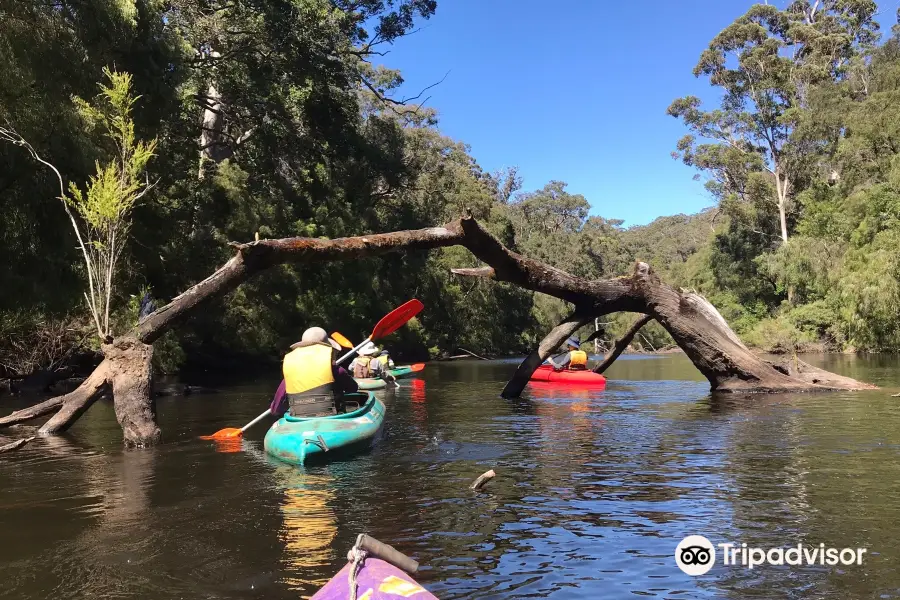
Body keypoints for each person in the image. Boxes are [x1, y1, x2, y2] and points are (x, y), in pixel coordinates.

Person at [269, 327, 358, 418]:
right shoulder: (337, 371)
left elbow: (276, 410)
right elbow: (353, 389)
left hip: (300, 421)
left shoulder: (289, 377)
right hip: (333, 418)